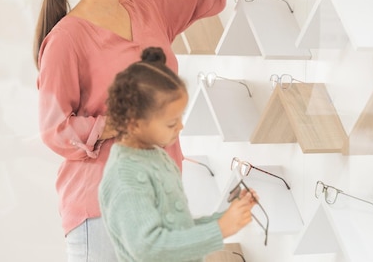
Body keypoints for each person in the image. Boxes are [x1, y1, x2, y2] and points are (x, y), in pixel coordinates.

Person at [34, 0, 271, 261]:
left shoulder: (149, 7)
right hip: (101, 207)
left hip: (162, 200)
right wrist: (121, 122)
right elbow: (55, 130)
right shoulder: (66, 39)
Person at [99, 47, 257, 262]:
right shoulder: (124, 174)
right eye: (172, 123)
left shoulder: (156, 156)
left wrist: (229, 217)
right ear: (135, 123)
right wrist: (220, 229)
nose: (181, 126)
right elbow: (148, 248)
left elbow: (179, 230)